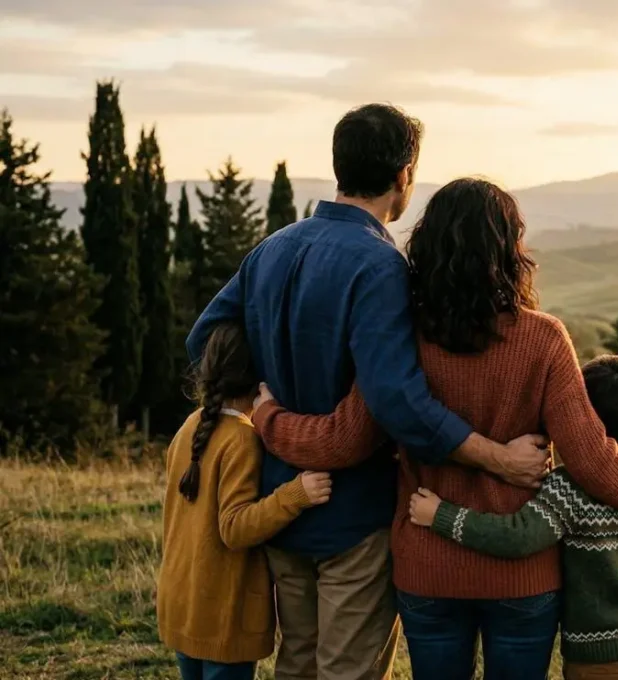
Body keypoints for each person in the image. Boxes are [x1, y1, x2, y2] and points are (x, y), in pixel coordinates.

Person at [253, 177, 618, 679]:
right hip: (522, 577)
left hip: (428, 568)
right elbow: (591, 458)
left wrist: (267, 418)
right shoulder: (544, 339)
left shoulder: (403, 339)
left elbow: (343, 439)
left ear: (428, 250)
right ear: (510, 251)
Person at [185, 104, 550, 680]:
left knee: (297, 664)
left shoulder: (272, 248)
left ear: (340, 164)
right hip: (354, 515)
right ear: (404, 174)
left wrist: (262, 405)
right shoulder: (381, 266)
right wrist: (497, 457)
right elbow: (398, 402)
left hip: (279, 505)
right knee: (346, 671)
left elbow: (203, 340)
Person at [408, 354, 618, 680]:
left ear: (575, 419)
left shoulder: (569, 489)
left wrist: (440, 514)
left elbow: (518, 536)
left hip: (596, 660)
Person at [157, 322, 333, 680]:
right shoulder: (242, 439)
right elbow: (234, 528)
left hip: (182, 605)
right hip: (222, 615)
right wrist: (295, 495)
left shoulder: (190, 426)